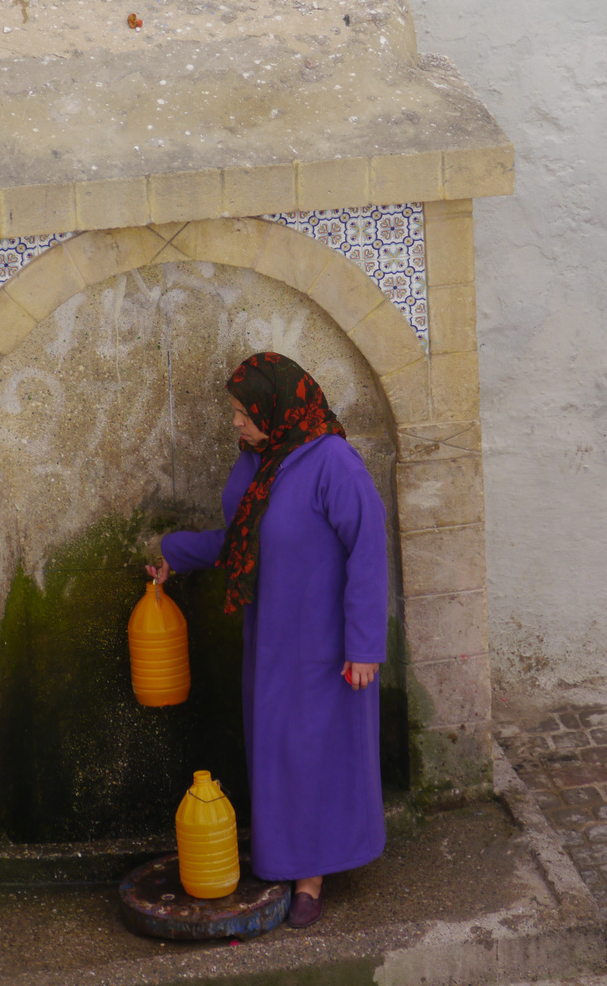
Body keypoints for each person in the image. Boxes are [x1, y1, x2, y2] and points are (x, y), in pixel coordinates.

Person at [149, 352, 388, 928]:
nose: (234, 422)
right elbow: (238, 542)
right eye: (233, 411)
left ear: (275, 407)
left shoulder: (333, 462)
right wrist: (172, 554)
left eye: (241, 411)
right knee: (278, 751)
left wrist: (364, 646)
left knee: (314, 754)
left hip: (327, 647)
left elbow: (369, 551)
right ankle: (284, 859)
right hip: (271, 638)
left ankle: (310, 878)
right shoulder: (260, 462)